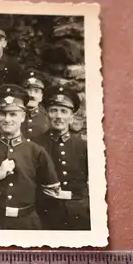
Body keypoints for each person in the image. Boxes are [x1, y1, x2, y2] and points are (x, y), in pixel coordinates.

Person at [0, 84, 61, 230]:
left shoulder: (36, 151)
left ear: (23, 117)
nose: (7, 119)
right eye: (3, 114)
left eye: (13, 114)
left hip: (25, 223)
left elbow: (50, 193)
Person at [34, 85, 90, 230]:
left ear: (71, 117)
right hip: (45, 212)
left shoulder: (83, 146)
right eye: (54, 111)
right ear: (47, 115)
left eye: (64, 111)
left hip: (79, 212)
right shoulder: (35, 145)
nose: (59, 116)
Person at [20, 71, 50, 140]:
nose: (31, 95)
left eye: (36, 91)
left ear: (41, 96)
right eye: (28, 91)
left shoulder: (48, 118)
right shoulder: (13, 114)